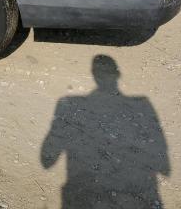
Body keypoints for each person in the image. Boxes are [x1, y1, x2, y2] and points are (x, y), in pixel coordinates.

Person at [41, 55, 169, 208]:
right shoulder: (143, 104)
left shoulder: (68, 104)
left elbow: (47, 160)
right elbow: (163, 161)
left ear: (93, 75)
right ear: (118, 75)